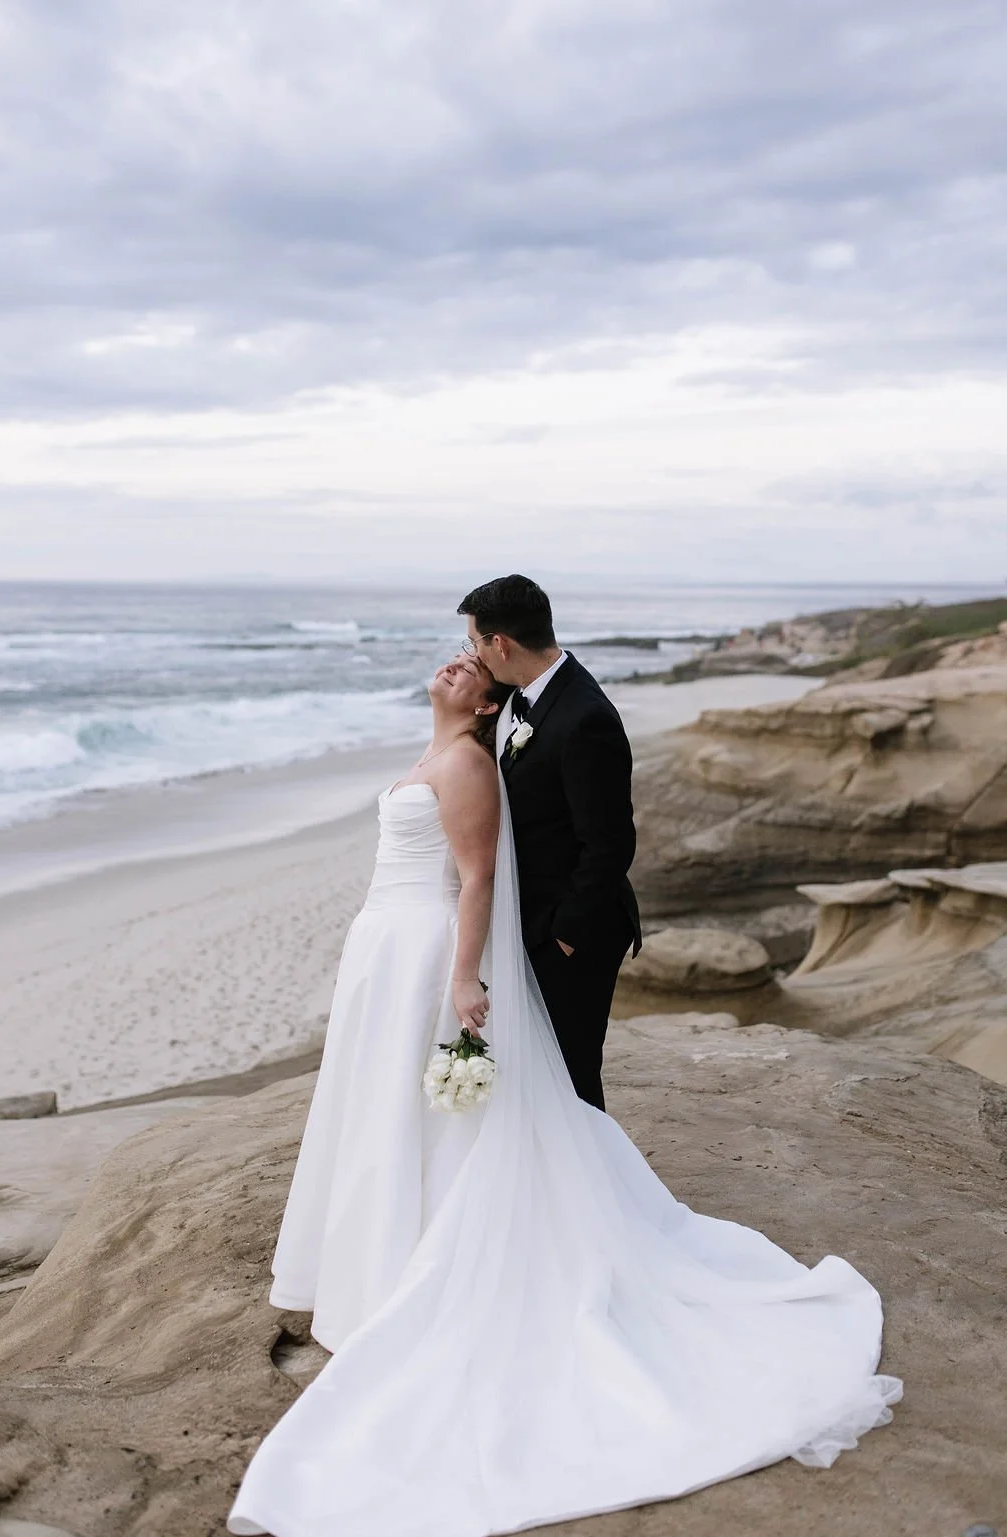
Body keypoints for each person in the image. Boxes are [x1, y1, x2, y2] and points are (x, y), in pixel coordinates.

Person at [227, 619, 901, 1537]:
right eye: (453, 655)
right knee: (382, 1113)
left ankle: (410, 1264)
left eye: (471, 657)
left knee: (430, 1119)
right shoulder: (453, 744)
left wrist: (465, 977)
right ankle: (377, 1260)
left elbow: (474, 880)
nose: (455, 661)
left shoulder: (467, 762)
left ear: (488, 691)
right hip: (383, 949)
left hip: (426, 950)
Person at [457, 573, 642, 1109]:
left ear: (501, 644)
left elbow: (610, 843)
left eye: (475, 642)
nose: (473, 653)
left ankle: (594, 1189)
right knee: (540, 1070)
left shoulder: (585, 717)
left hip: (573, 934)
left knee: (572, 1074)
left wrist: (566, 935)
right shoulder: (524, 698)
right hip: (532, 922)